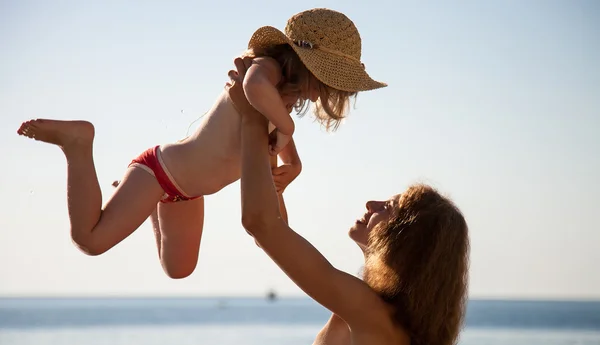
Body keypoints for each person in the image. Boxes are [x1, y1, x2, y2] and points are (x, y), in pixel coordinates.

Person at [15, 8, 386, 279]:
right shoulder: (266, 69)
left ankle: (145, 204)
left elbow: (278, 152)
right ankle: (78, 144)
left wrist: (293, 165)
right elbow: (252, 88)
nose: (327, 93)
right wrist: (286, 128)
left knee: (178, 270)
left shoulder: (283, 103)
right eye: (328, 81)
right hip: (159, 170)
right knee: (90, 240)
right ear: (306, 63)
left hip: (185, 192)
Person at [228, 58, 470, 345]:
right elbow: (271, 229)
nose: (372, 205)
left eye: (389, 208)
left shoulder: (370, 316)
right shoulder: (374, 313)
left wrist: (252, 113)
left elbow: (260, 224)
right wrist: (275, 174)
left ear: (407, 244)